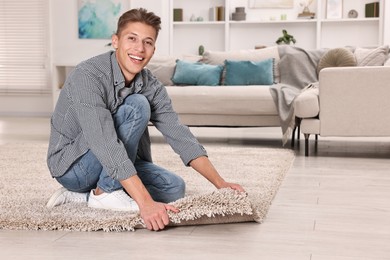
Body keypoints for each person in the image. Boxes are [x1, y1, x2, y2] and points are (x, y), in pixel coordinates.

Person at [46, 8, 244, 231]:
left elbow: (178, 133)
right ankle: (104, 192)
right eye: (132, 39)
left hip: (114, 159)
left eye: (147, 42)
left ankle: (86, 196)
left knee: (174, 189)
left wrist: (220, 183)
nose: (139, 49)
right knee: (137, 105)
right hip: (73, 167)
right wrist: (145, 203)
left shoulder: (149, 83)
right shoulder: (87, 75)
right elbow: (103, 141)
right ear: (116, 41)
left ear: (153, 49)